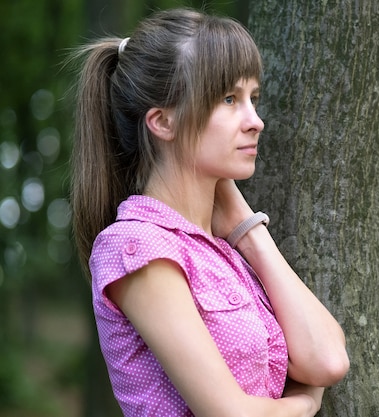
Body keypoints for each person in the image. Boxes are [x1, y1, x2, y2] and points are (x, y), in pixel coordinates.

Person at [69, 8, 349, 417]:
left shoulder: (222, 248)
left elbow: (328, 361)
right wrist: (304, 404)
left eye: (254, 98)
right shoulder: (137, 247)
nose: (256, 121)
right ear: (163, 121)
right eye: (229, 99)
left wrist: (248, 230)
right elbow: (230, 413)